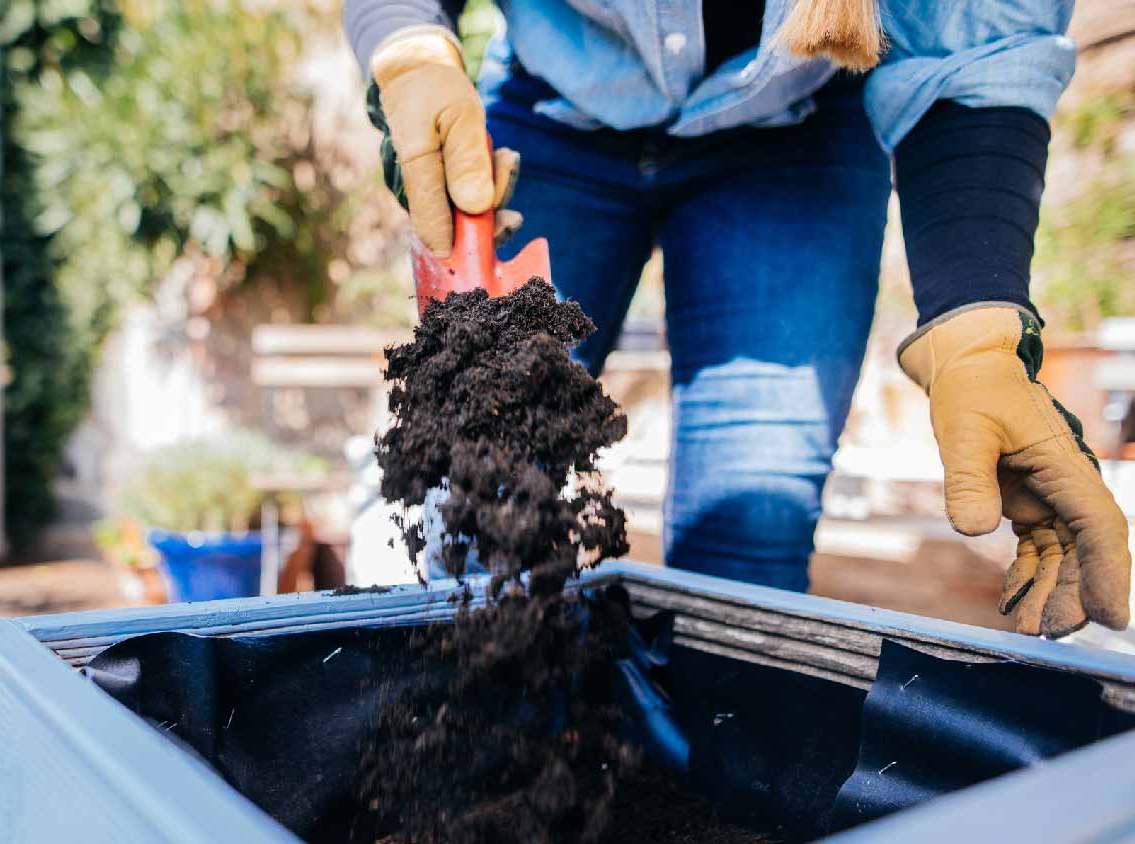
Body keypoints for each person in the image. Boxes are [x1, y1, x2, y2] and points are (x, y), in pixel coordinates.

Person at [343, 0, 1132, 638]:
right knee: (482, 506)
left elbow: (975, 42)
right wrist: (408, 35)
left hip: (796, 126)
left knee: (747, 543)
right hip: (555, 111)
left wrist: (975, 328)